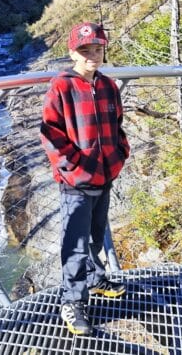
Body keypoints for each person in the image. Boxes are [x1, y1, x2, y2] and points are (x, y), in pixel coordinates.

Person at [40, 21, 131, 335]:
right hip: (76, 183)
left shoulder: (106, 85)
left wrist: (120, 154)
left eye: (97, 48)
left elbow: (117, 125)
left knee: (95, 234)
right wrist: (75, 169)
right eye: (84, 50)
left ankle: (94, 278)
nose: (92, 55)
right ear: (72, 52)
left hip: (105, 176)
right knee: (76, 243)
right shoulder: (62, 86)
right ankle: (73, 300)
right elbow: (51, 135)